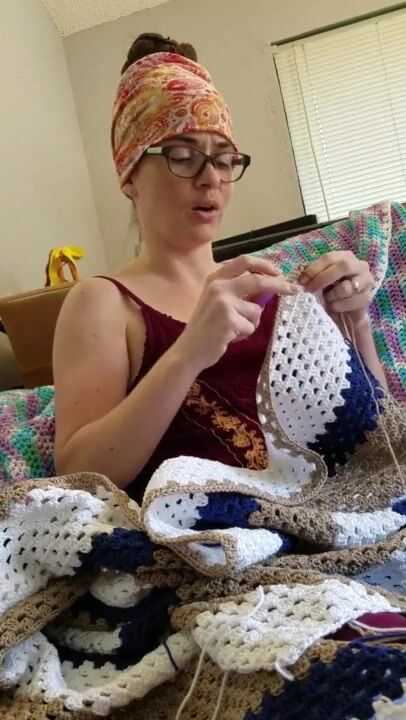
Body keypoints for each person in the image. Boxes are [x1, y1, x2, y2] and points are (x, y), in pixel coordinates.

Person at [53, 33, 385, 501]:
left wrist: (355, 321)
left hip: (338, 504)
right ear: (129, 175)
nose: (211, 177)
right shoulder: (102, 301)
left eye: (225, 160)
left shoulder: (268, 286)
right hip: (208, 526)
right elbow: (79, 474)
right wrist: (188, 353)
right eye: (183, 156)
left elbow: (379, 431)